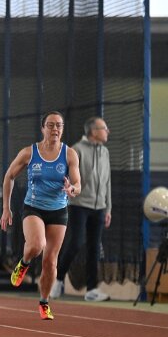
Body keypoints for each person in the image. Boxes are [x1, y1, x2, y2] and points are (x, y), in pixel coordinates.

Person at [0, 110, 81, 320]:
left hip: (58, 211)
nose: (55, 129)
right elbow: (9, 176)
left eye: (59, 125)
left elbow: (77, 183)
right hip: (34, 207)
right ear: (43, 128)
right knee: (36, 245)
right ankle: (24, 262)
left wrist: (72, 189)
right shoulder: (29, 152)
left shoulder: (69, 154)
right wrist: (6, 208)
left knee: (50, 262)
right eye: (51, 125)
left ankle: (44, 302)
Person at [54, 116, 112, 301]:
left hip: (99, 207)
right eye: (104, 128)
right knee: (76, 243)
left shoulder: (105, 152)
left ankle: (91, 290)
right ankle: (57, 280)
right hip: (79, 205)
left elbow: (107, 181)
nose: (108, 131)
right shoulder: (76, 150)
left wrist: (108, 208)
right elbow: (66, 176)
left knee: (94, 248)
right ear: (93, 132)